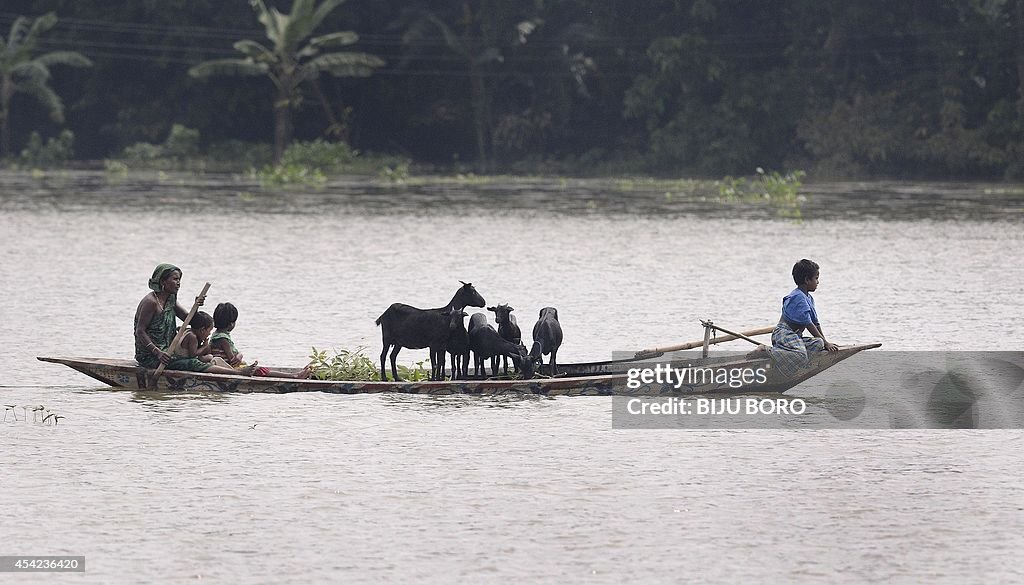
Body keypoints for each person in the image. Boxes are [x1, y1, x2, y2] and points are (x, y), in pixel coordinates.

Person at [768, 259, 839, 376]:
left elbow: (815, 323)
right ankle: (766, 351)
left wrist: (825, 342)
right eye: (816, 278)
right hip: (784, 335)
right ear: (807, 280)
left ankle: (791, 362)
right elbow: (808, 324)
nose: (818, 282)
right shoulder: (797, 297)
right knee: (800, 355)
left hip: (795, 337)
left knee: (818, 343)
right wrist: (827, 343)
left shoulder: (809, 298)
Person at [209, 302, 312, 379]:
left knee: (261, 369)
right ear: (231, 323)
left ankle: (294, 374)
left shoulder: (216, 335)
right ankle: (294, 376)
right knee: (260, 370)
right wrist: (240, 356)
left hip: (229, 367)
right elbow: (233, 361)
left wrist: (240, 355)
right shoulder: (223, 339)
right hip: (231, 369)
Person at [134, 263, 199, 369]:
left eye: (179, 280)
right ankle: (233, 374)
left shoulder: (170, 298)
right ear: (163, 281)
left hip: (168, 352)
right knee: (192, 363)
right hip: (151, 357)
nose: (178, 283)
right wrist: (157, 352)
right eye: (175, 279)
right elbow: (140, 331)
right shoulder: (151, 302)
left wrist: (196, 306)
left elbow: (187, 319)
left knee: (200, 354)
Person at [169, 311, 255, 375]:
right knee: (200, 361)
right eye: (209, 331)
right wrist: (205, 346)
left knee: (210, 357)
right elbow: (193, 356)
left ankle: (229, 369)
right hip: (182, 361)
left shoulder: (188, 331)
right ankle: (237, 372)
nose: (210, 333)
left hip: (184, 359)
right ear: (202, 330)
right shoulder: (192, 336)